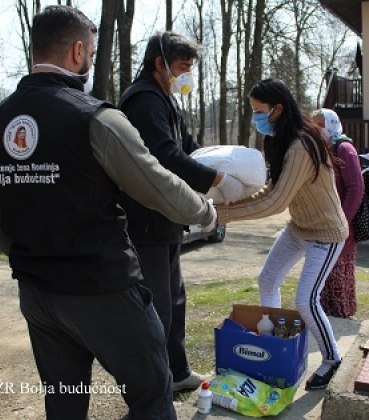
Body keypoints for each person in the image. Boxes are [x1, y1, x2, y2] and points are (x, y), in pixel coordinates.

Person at [0, 6, 217, 420]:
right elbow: (155, 183)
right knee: (150, 393)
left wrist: (31, 257)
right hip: (100, 287)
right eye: (89, 52)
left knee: (64, 399)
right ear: (79, 51)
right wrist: (205, 212)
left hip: (37, 293)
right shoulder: (94, 117)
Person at [117, 31, 243, 392]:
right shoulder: (143, 101)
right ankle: (152, 386)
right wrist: (215, 178)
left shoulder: (165, 98)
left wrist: (221, 168)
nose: (186, 74)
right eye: (182, 67)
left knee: (175, 299)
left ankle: (177, 371)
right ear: (159, 64)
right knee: (155, 307)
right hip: (145, 219)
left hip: (167, 218)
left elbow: (189, 148)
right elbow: (165, 155)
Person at [216, 78, 349, 390]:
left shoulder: (302, 144)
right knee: (268, 279)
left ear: (278, 109)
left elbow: (275, 203)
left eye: (259, 111)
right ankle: (274, 342)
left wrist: (220, 215)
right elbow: (270, 191)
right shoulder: (281, 140)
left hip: (326, 234)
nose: (256, 118)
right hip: (298, 228)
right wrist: (224, 206)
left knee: (306, 300)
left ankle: (332, 358)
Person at [312, 108, 364, 318]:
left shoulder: (344, 149)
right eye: (313, 125)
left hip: (342, 227)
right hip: (325, 226)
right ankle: (327, 320)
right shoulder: (324, 150)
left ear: (331, 125)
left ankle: (341, 321)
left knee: (338, 276)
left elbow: (356, 188)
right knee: (323, 277)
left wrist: (343, 219)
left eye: (319, 125)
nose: (315, 130)